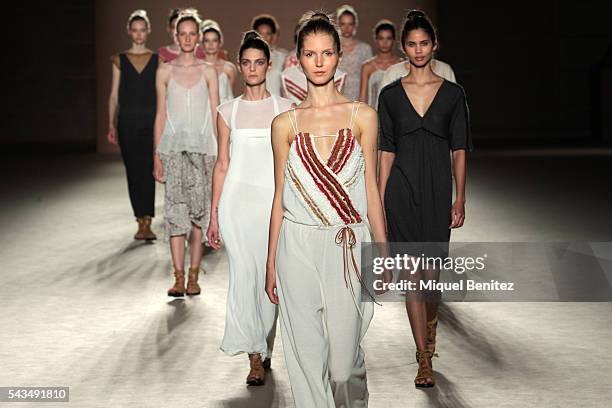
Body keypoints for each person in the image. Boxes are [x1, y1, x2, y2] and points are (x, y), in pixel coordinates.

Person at [265, 11, 387, 407]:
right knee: (305, 357)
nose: (319, 62)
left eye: (327, 53)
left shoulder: (362, 116)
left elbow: (371, 191)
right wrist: (270, 264)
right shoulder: (284, 124)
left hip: (347, 244)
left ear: (339, 58)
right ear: (297, 59)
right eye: (310, 53)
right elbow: (280, 197)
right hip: (296, 244)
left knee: (341, 366)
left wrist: (384, 253)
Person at [377, 10, 473, 388]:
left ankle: (429, 329)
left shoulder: (452, 94)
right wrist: (380, 201)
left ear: (434, 46)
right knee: (413, 279)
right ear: (404, 48)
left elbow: (460, 148)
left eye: (425, 43)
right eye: (412, 44)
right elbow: (385, 151)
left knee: (431, 278)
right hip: (400, 191)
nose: (418, 50)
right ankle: (422, 358)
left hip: (437, 191)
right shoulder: (389, 95)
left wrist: (460, 196)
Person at [207, 30, 293, 386]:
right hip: (237, 205)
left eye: (260, 62)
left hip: (275, 204)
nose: (253, 68)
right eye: (247, 62)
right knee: (245, 277)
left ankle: (266, 343)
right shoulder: (227, 111)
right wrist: (213, 213)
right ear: (240, 67)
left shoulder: (286, 109)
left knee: (271, 276)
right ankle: (254, 356)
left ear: (269, 66)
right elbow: (222, 163)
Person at [153, 9, 220, 297]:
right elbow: (160, 114)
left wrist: (220, 153)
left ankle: (194, 276)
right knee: (174, 215)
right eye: (183, 34)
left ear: (199, 37)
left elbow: (216, 112)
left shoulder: (208, 71)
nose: (188, 39)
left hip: (203, 151)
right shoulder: (165, 71)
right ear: (175, 36)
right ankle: (178, 277)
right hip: (173, 150)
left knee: (198, 216)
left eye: (193, 34)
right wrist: (156, 155)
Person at [107, 10, 158, 240]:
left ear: (148, 31)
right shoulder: (119, 60)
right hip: (126, 121)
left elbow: (162, 94)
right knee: (133, 170)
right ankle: (140, 220)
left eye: (142, 29)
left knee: (149, 169)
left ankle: (147, 220)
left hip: (150, 120)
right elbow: (114, 95)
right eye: (134, 29)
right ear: (130, 32)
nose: (138, 34)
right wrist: (111, 124)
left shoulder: (158, 60)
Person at [359, 20, 401, 108]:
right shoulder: (367, 67)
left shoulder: (401, 65)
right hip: (374, 116)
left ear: (394, 40)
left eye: (388, 38)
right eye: (381, 38)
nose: (385, 43)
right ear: (376, 40)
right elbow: (363, 99)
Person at [335, 5, 373, 100]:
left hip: (359, 95)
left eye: (350, 24)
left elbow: (370, 78)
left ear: (355, 25)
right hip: (336, 95)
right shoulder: (332, 48)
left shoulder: (365, 49)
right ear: (338, 25)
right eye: (343, 24)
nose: (347, 28)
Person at [200, 19, 236, 103]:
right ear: (202, 44)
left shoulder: (229, 69)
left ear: (220, 43)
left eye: (214, 40)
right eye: (207, 41)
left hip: (223, 112)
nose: (211, 44)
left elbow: (229, 96)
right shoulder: (196, 68)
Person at [252, 14, 288, 96]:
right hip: (256, 102)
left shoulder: (283, 57)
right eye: (260, 33)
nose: (264, 37)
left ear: (273, 35)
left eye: (268, 33)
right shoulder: (249, 58)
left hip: (278, 103)